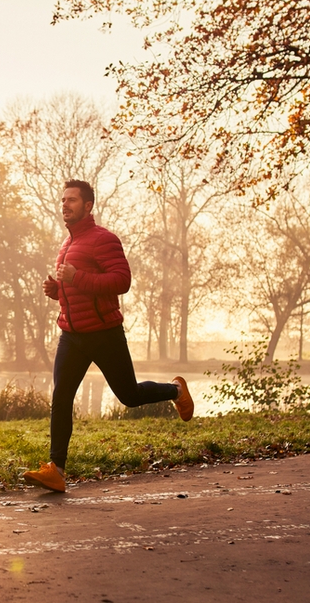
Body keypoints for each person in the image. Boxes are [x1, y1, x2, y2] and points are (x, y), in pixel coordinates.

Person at [22, 179, 194, 493]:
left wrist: (76, 277)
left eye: (72, 200)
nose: (65, 205)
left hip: (104, 334)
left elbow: (121, 281)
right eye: (63, 200)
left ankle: (175, 390)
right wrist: (57, 291)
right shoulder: (67, 243)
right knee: (61, 398)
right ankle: (56, 470)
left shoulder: (104, 240)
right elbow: (77, 291)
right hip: (71, 335)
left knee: (129, 396)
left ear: (88, 206)